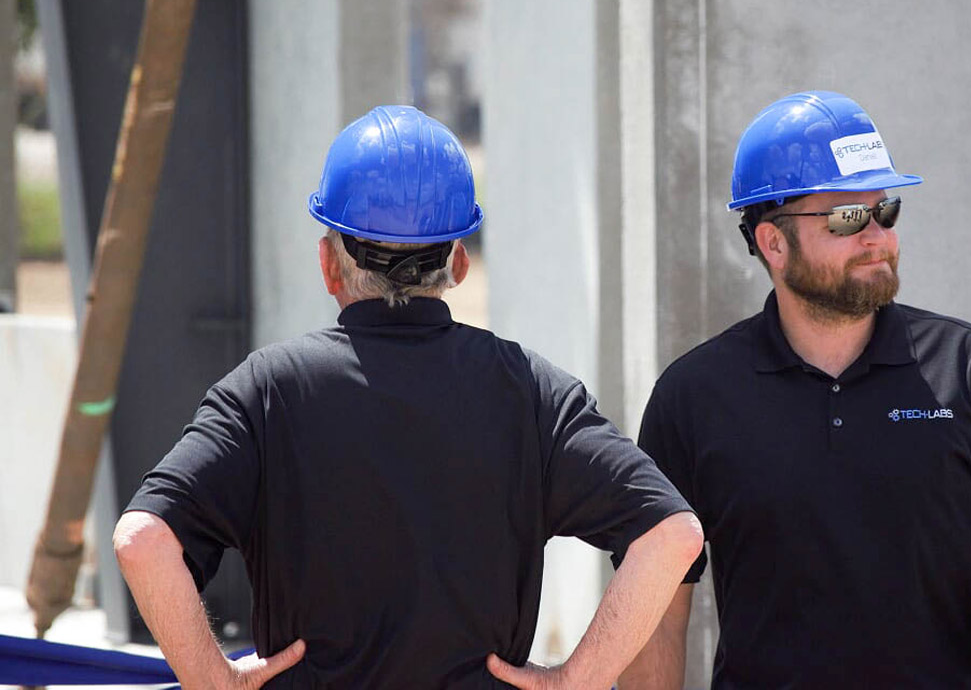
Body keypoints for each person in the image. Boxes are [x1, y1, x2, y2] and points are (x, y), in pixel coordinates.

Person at [113, 105, 703, 689]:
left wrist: (215, 681)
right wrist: (577, 680)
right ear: (459, 263)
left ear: (329, 264)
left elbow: (142, 541)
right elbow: (672, 535)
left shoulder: (266, 390)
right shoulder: (532, 391)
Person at [620, 91, 971, 689]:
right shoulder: (693, 397)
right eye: (848, 218)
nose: (876, 237)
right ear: (773, 243)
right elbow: (657, 606)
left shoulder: (966, 366)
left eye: (885, 211)